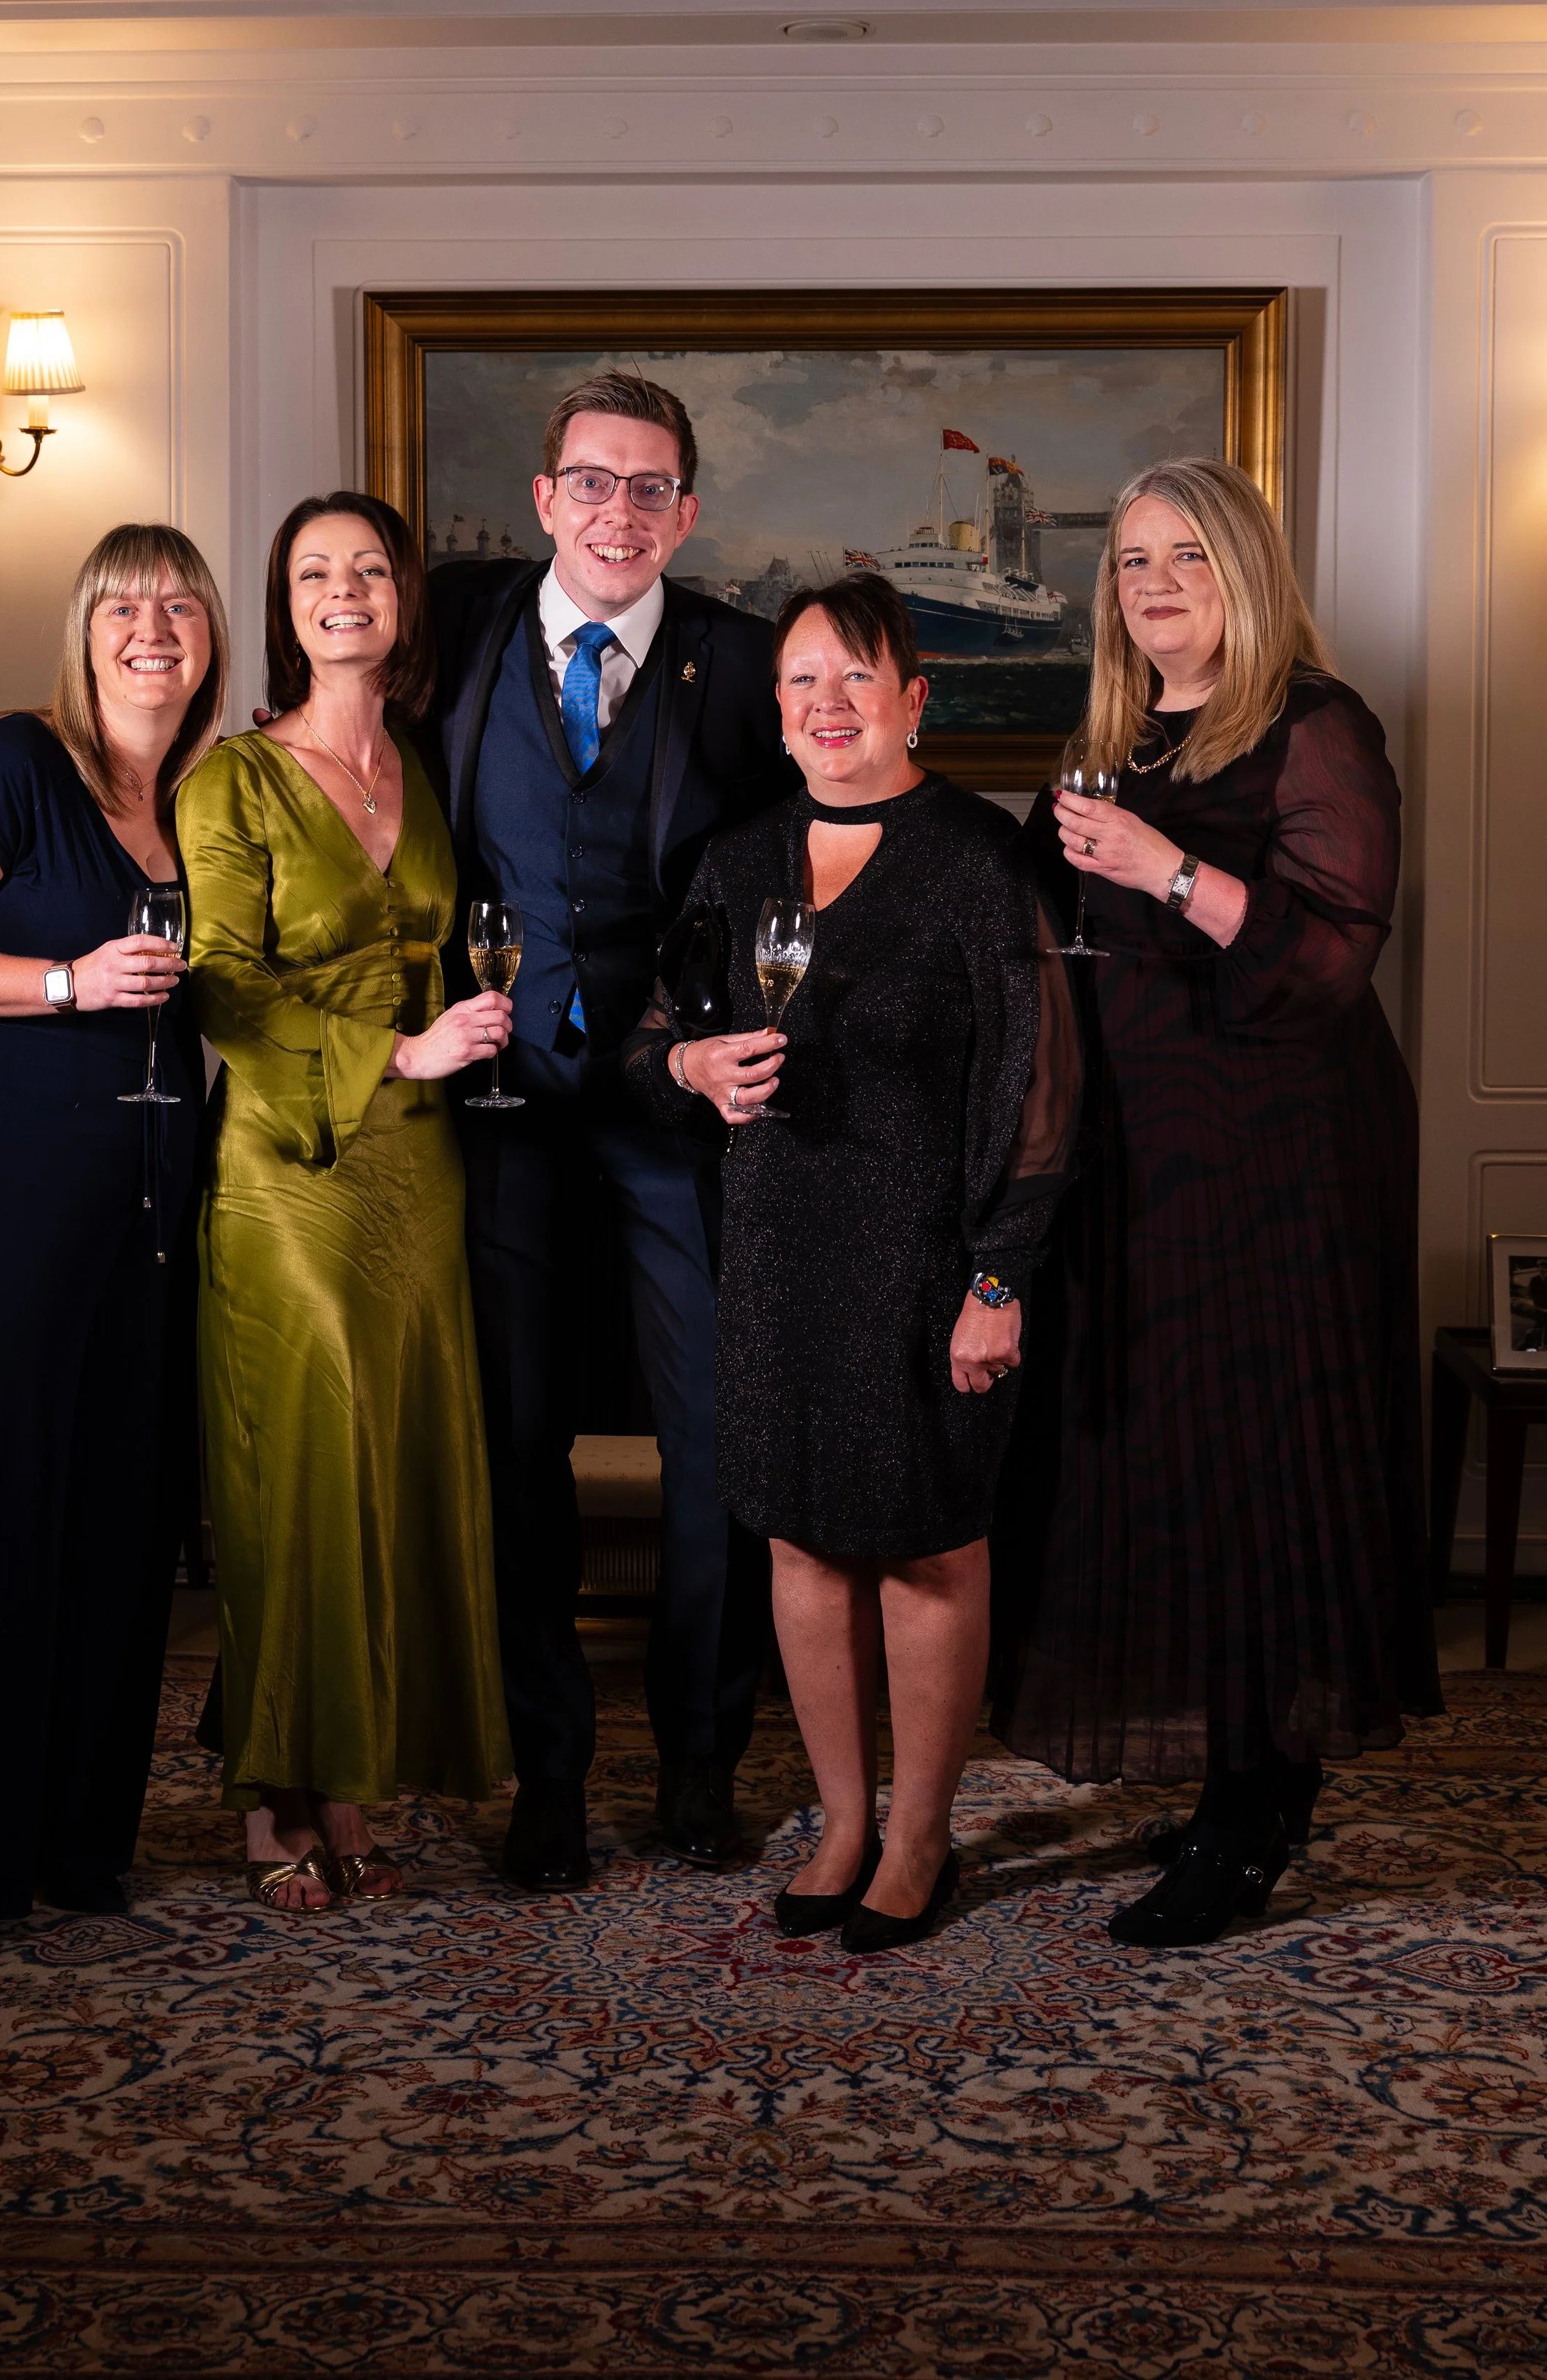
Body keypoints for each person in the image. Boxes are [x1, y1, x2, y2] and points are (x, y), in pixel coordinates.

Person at [989, 456, 1443, 1949]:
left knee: (1260, 1460)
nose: (1153, 583)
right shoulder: (1115, 740)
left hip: (1283, 1167)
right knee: (1169, 1459)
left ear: (1240, 570)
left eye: (1183, 554)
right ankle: (1218, 1781)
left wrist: (1164, 869)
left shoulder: (1315, 726)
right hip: (1144, 1163)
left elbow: (1326, 960)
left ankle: (1256, 1812)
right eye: (1127, 563)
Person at [625, 576, 1079, 1952]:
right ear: (775, 710)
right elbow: (656, 1045)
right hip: (770, 1253)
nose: (828, 706)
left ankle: (923, 1834)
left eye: (857, 680)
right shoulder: (739, 858)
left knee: (928, 1549)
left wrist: (997, 1278)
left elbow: (1042, 1090)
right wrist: (690, 1066)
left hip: (925, 1268)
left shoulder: (978, 863)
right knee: (803, 1540)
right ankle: (839, 1819)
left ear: (913, 699)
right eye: (803, 683)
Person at [426, 371, 796, 1892]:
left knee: (713, 1450)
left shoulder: (745, 661)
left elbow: (805, 873)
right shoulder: (454, 635)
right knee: (516, 1452)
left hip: (679, 1122)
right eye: (592, 481)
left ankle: (702, 1764)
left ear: (687, 511)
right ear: (542, 498)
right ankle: (549, 1777)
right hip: (503, 1109)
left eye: (650, 488)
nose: (619, 511)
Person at [0, 523, 227, 1958]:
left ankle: (77, 1836)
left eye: (179, 606)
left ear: (210, 636)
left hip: (147, 1199)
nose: (152, 628)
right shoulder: (11, 761)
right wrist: (70, 979)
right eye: (122, 606)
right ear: (82, 630)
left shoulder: (201, 798)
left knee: (125, 1518)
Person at [176, 493, 512, 1914]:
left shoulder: (418, 769)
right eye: (315, 571)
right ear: (284, 601)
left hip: (421, 1164)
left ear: (400, 600)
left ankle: (359, 1786)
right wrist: (401, 1046)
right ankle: (276, 1800)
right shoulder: (232, 779)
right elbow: (220, 983)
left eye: (368, 569)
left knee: (401, 1462)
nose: (344, 590)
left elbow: (446, 951)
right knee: (300, 1473)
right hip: (288, 1165)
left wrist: (474, 1026)